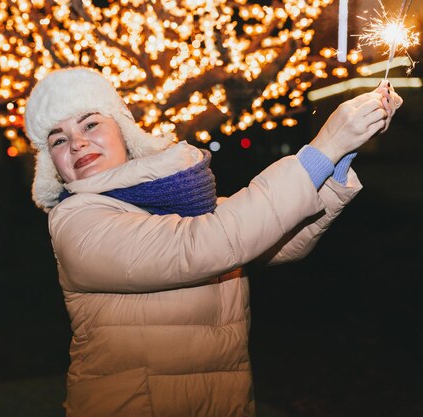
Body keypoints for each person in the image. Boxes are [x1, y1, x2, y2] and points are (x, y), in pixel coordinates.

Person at [23, 67, 401, 417]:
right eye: (59, 139)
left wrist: (341, 156)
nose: (76, 143)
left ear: (123, 130)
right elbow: (210, 243)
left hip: (224, 400)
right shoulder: (77, 222)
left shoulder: (175, 201)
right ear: (51, 162)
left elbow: (276, 240)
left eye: (90, 123)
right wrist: (324, 147)